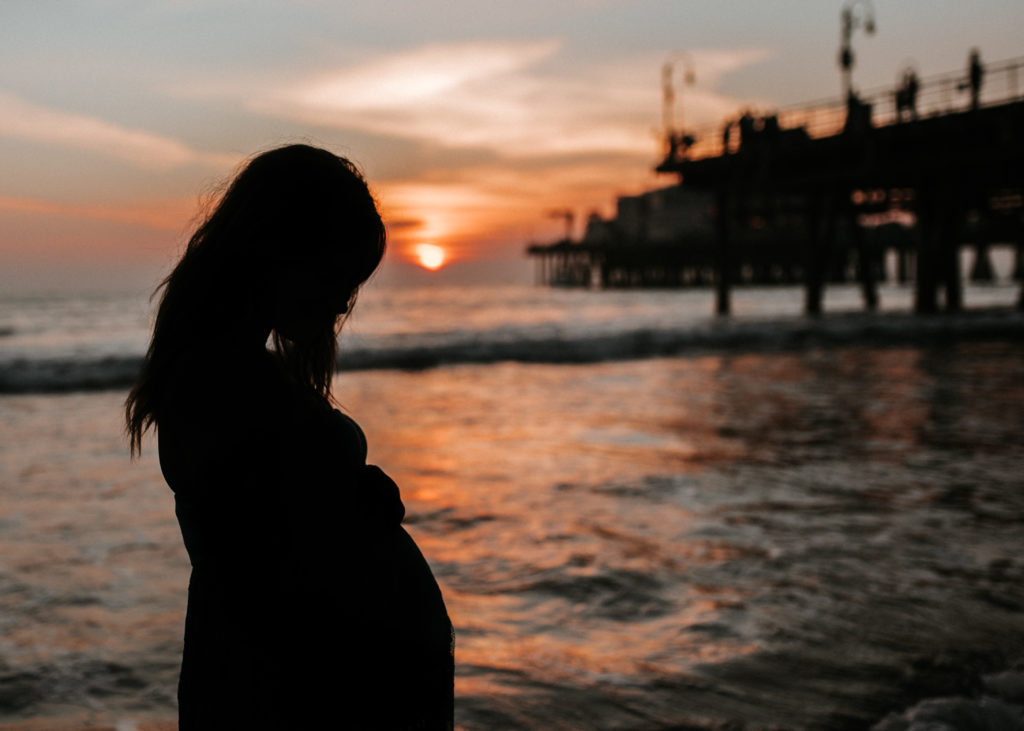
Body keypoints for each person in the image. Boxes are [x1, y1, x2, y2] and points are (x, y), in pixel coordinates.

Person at [125, 144, 454, 729]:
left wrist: (355, 501)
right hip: (289, 696)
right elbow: (269, 559)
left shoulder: (233, 372)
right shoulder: (215, 383)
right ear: (282, 253)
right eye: (340, 277)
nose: (344, 302)